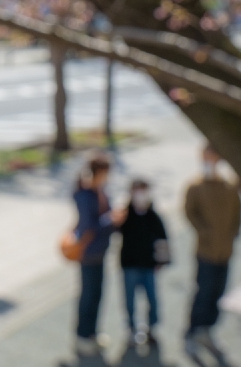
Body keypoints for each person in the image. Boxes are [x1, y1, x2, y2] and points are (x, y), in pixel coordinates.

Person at [184, 144, 241, 361]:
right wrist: (205, 232)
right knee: (203, 291)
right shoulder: (196, 187)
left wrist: (232, 234)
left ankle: (207, 330)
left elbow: (237, 214)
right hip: (206, 251)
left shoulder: (229, 187)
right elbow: (190, 213)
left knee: (218, 292)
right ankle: (192, 332)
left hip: (225, 250)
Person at [72, 152, 121, 357]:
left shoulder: (100, 191)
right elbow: (89, 226)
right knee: (88, 295)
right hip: (89, 252)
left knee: (97, 294)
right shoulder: (85, 194)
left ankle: (92, 333)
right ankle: (82, 336)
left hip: (100, 251)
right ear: (99, 172)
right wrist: (112, 220)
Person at [119, 179, 169, 347]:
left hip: (148, 265)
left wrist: (162, 260)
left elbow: (162, 238)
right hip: (130, 265)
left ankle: (152, 329)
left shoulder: (153, 217)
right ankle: (131, 329)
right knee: (129, 300)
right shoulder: (126, 215)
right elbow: (114, 228)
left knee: (152, 299)